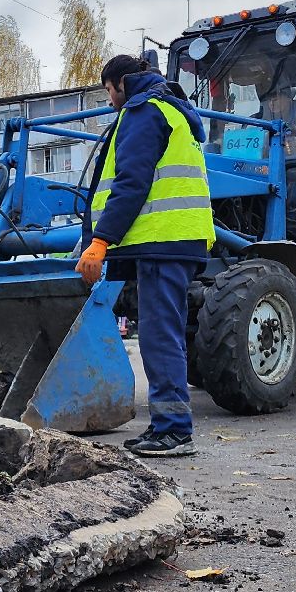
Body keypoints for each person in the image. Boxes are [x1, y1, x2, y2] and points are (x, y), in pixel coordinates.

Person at [76, 54, 213, 458]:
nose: (110, 99)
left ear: (121, 83)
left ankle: (173, 430)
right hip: (172, 242)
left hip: (163, 242)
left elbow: (131, 183)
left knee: (158, 337)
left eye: (108, 90)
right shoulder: (171, 112)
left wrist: (100, 242)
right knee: (160, 334)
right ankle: (164, 426)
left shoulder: (143, 112)